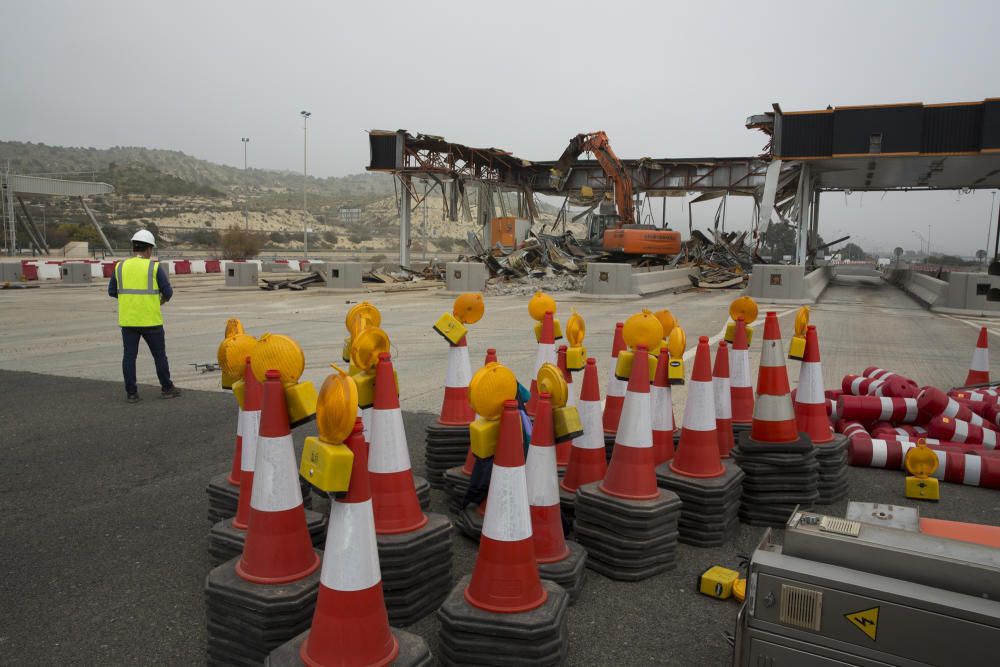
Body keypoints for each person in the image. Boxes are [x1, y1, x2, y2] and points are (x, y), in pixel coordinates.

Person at [108, 229, 181, 403]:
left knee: (129, 356)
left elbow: (112, 291)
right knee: (159, 356)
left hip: (128, 320)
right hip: (151, 320)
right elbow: (168, 292)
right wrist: (160, 301)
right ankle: (167, 388)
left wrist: (129, 300)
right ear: (149, 249)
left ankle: (131, 393)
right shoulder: (154, 267)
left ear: (134, 247)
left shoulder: (120, 266)